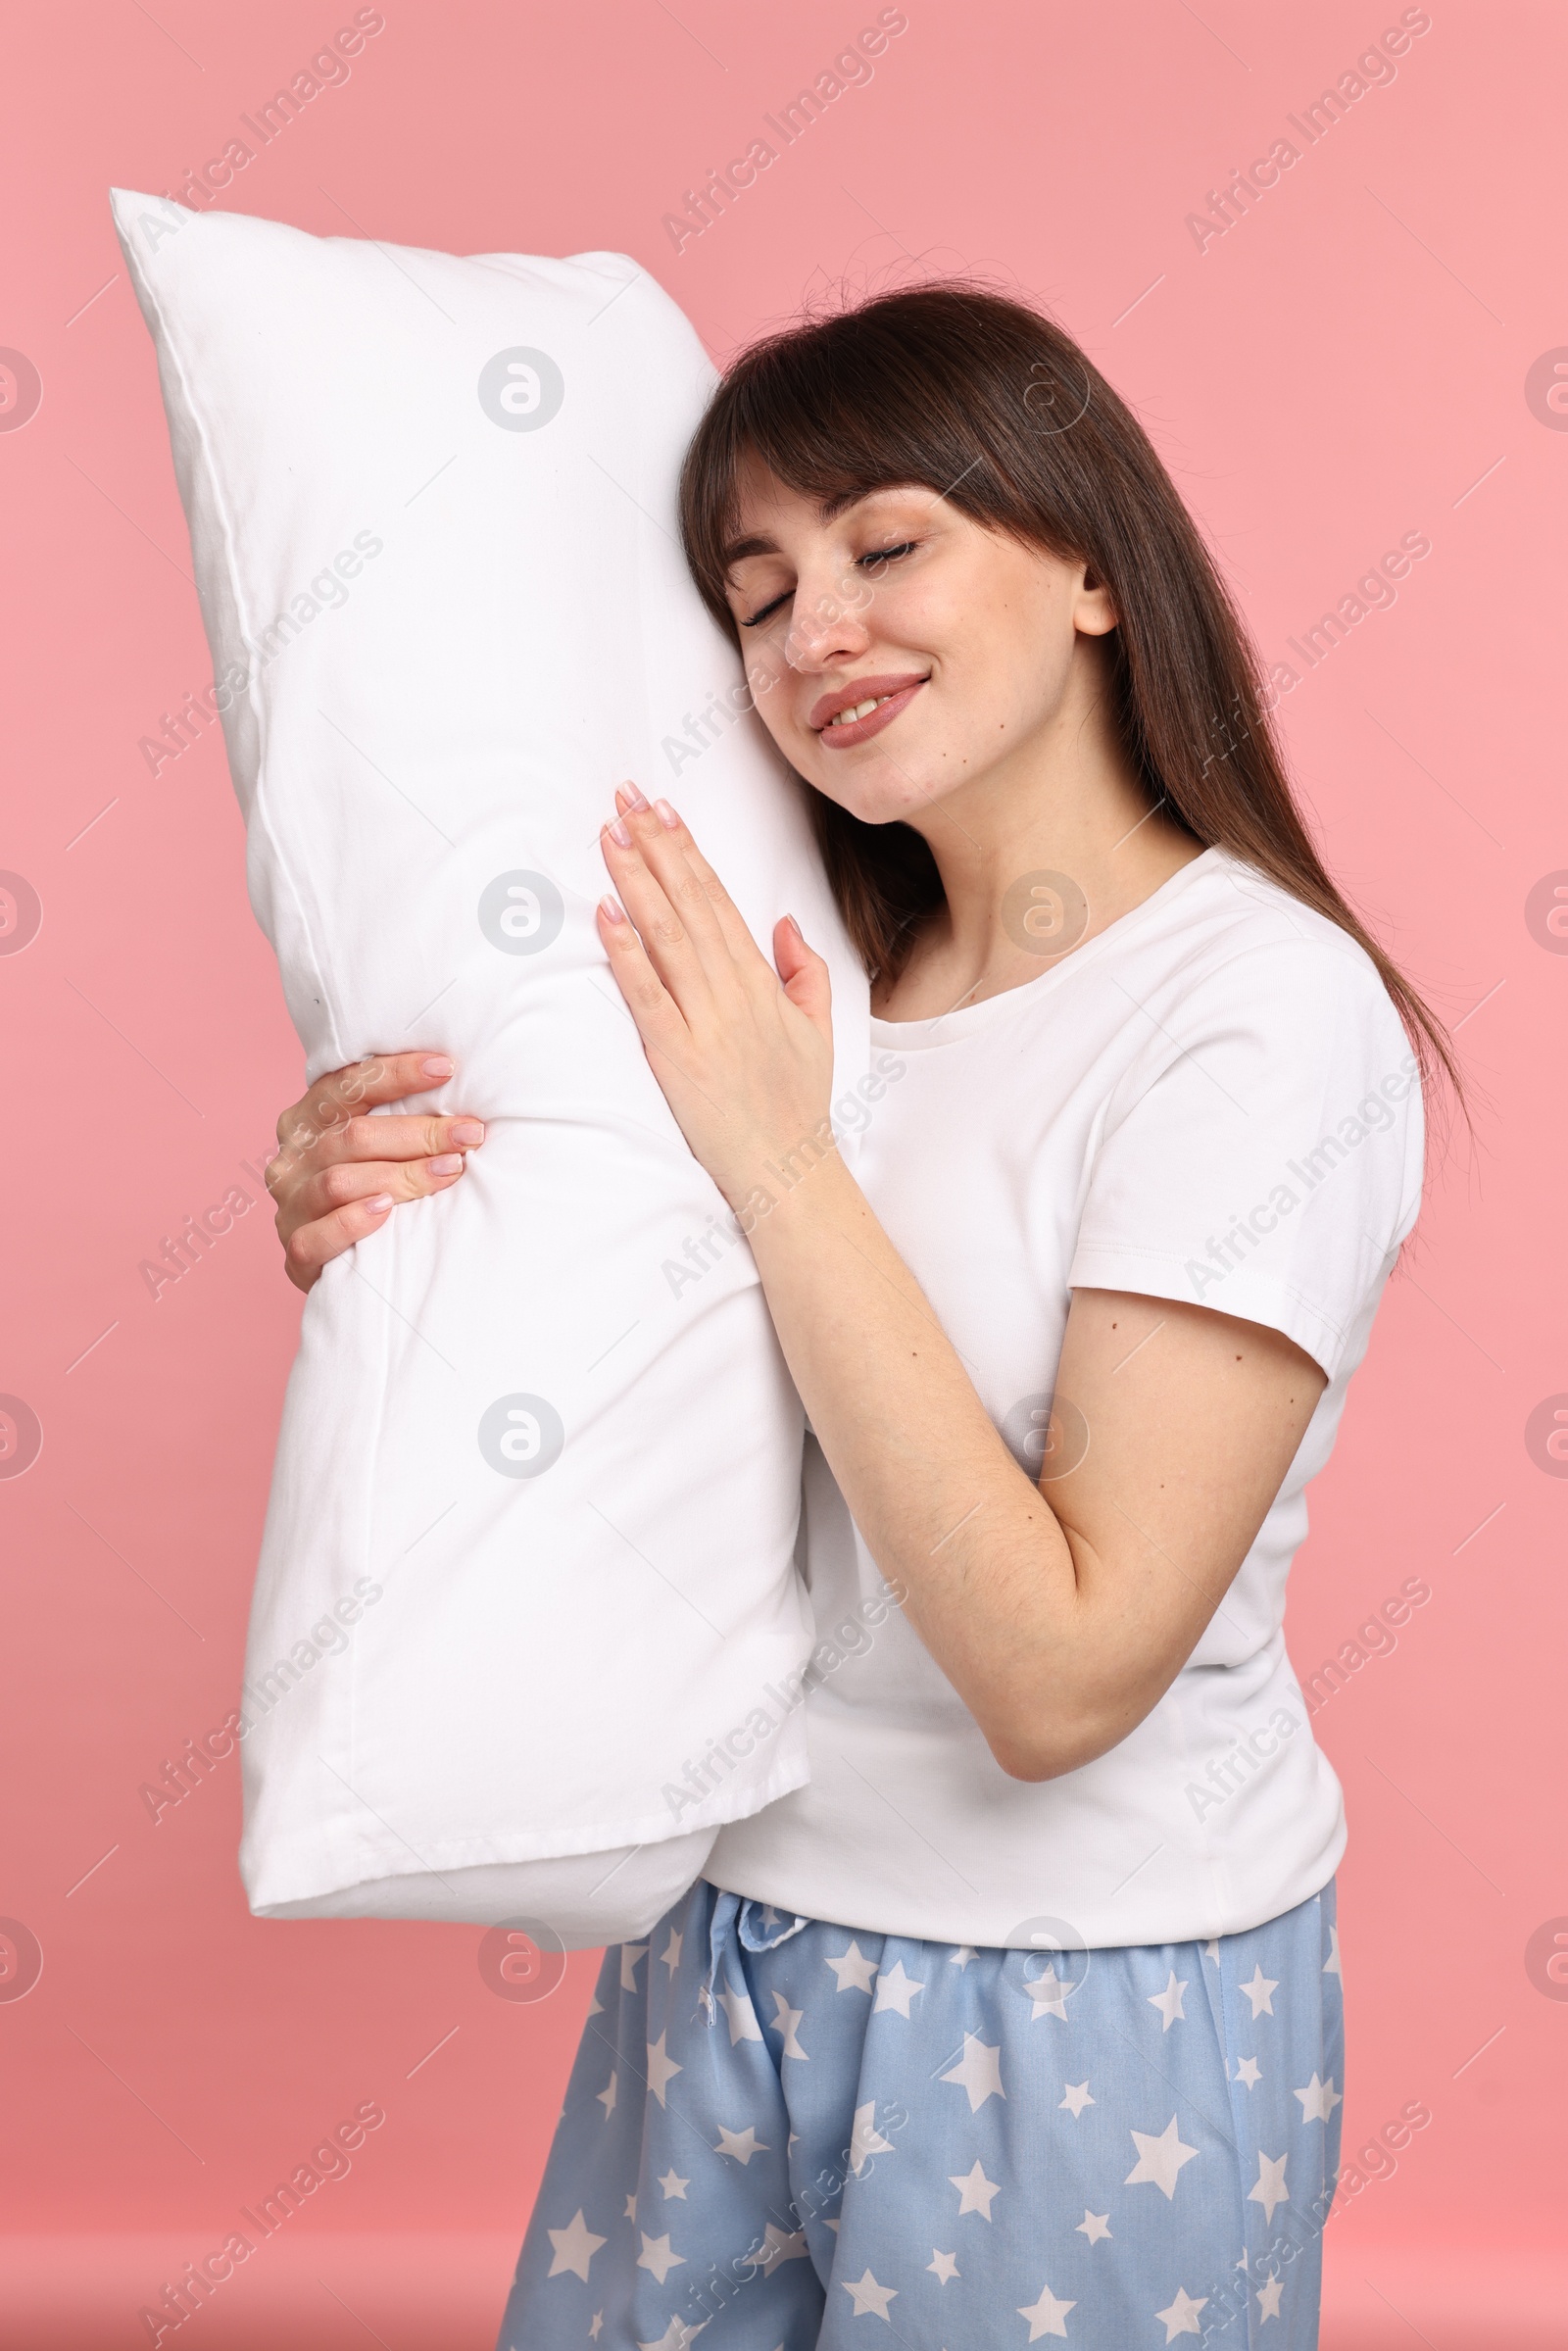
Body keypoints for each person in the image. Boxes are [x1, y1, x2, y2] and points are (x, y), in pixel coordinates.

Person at [265, 286, 1452, 2348]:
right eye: (755, 589)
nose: (811, 630)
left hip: (1075, 2004)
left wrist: (780, 1162)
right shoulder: (809, 978)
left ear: (1088, 560)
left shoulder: (1251, 1013)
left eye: (883, 544)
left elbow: (1062, 1674)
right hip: (728, 1945)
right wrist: (378, 1225)